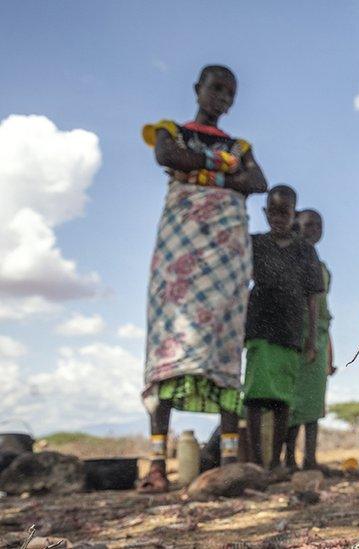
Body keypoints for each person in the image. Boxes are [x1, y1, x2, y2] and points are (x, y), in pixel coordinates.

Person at [139, 65, 268, 492]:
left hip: (226, 257)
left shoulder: (241, 144)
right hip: (181, 250)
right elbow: (168, 156)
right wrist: (225, 173)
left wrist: (197, 169)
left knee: (225, 340)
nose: (223, 98)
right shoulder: (170, 130)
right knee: (168, 341)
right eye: (216, 89)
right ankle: (158, 465)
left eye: (230, 93)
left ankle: (228, 463)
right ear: (198, 88)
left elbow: (258, 182)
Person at [243, 185, 324, 472]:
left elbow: (313, 298)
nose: (278, 218)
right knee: (254, 397)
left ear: (293, 214)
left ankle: (276, 464)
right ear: (265, 212)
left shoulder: (305, 251)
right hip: (258, 328)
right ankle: (254, 464)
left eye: (285, 212)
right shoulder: (254, 244)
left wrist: (311, 340)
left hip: (291, 331)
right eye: (273, 212)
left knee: (282, 401)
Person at [285, 209, 336, 471]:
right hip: (298, 334)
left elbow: (326, 314)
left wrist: (329, 352)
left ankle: (310, 459)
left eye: (319, 224)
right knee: (294, 400)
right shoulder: (291, 259)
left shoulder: (323, 267)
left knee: (315, 401)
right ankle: (289, 460)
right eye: (308, 224)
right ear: (297, 226)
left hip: (319, 336)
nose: (314, 229)